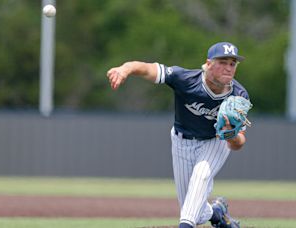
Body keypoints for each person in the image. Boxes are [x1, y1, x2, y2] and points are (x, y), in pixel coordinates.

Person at [106, 42, 250, 228]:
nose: (228, 68)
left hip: (215, 141)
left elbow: (238, 144)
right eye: (223, 62)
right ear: (209, 63)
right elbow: (149, 69)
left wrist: (230, 135)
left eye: (232, 63)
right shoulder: (186, 79)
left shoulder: (238, 96)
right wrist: (125, 68)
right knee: (195, 211)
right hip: (182, 142)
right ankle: (216, 213)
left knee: (201, 175)